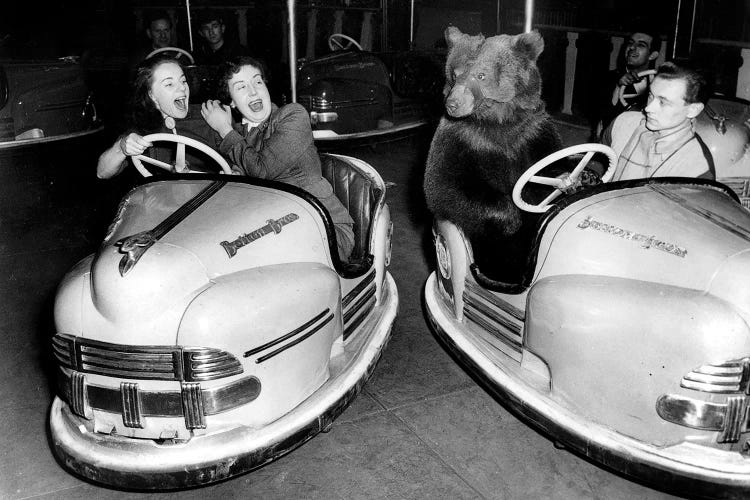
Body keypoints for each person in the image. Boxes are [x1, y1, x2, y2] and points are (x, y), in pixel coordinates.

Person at [200, 57, 355, 261]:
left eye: (257, 82)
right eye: (241, 87)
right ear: (231, 101)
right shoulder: (242, 136)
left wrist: (224, 129)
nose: (253, 91)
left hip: (325, 228)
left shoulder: (293, 115)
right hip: (275, 226)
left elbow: (261, 170)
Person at [97, 55, 214, 179]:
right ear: (151, 95)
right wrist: (121, 147)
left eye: (183, 81)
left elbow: (235, 156)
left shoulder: (209, 114)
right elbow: (102, 173)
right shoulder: (142, 130)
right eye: (169, 84)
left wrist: (225, 127)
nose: (182, 87)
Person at [600, 61, 715, 181]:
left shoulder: (698, 169)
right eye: (650, 96)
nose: (648, 108)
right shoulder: (622, 123)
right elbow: (595, 164)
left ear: (693, 110)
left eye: (663, 102)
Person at [595, 27, 661, 135]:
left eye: (641, 45)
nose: (632, 48)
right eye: (630, 43)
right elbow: (602, 116)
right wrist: (618, 86)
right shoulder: (608, 78)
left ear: (652, 55)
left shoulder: (659, 81)